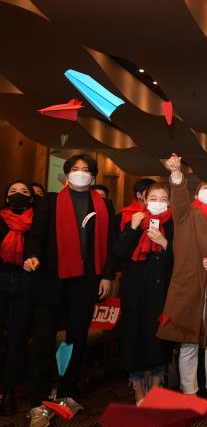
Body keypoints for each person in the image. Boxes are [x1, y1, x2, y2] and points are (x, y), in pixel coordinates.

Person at [24, 154, 117, 427]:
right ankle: (38, 402)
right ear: (66, 175)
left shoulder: (102, 204)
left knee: (76, 338)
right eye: (74, 169)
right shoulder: (51, 201)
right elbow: (37, 235)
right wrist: (33, 255)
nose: (80, 173)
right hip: (51, 279)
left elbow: (110, 244)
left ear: (93, 176)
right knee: (42, 340)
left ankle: (66, 392)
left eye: (85, 170)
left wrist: (107, 276)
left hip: (85, 282)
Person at [158, 154, 207, 410]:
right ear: (196, 193)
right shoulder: (186, 215)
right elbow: (178, 196)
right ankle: (189, 393)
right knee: (188, 343)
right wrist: (177, 174)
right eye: (205, 189)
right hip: (189, 287)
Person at [112, 182, 174, 405]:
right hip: (134, 291)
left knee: (159, 340)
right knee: (133, 340)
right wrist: (132, 229)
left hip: (161, 292)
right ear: (145, 200)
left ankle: (156, 388)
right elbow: (118, 252)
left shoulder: (174, 223)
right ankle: (138, 389)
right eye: (153, 198)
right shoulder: (133, 219)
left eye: (163, 198)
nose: (158, 202)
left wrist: (165, 243)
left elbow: (182, 261)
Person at [0, 181, 36, 415]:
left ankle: (8, 391)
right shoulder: (0, 219)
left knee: (17, 340)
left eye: (24, 192)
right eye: (13, 192)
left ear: (32, 199)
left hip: (26, 282)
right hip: (1, 279)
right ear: (6, 198)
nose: (18, 195)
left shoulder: (38, 222)